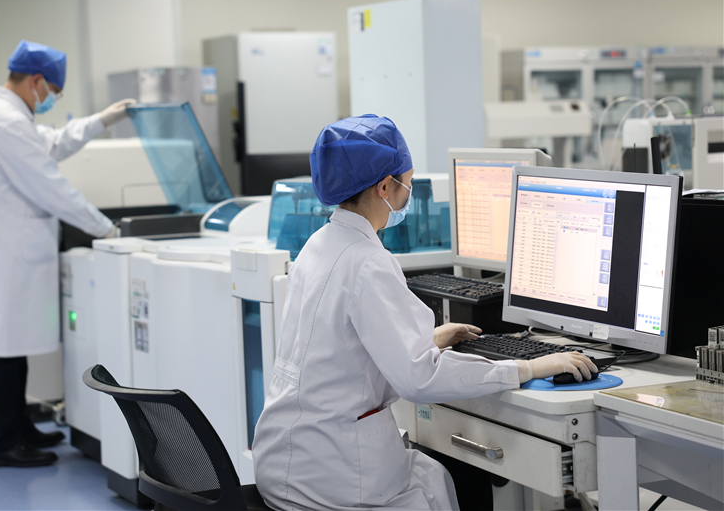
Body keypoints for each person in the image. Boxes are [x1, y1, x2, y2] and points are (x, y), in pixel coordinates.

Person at [251, 115, 597, 510]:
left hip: (284, 460)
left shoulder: (318, 246)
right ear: (385, 187)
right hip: (334, 476)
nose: (408, 193)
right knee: (447, 481)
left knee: (438, 471)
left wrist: (426, 340)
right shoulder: (367, 262)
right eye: (407, 182)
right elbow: (420, 379)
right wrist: (528, 368)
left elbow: (335, 347)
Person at [0, 40, 135, 468]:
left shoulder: (8, 116)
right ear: (37, 81)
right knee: (4, 350)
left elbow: (55, 142)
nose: (50, 100)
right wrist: (105, 228)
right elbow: (50, 185)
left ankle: (18, 427)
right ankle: (3, 444)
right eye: (53, 92)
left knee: (13, 347)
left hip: (11, 252)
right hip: (8, 255)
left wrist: (102, 120)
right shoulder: (4, 122)